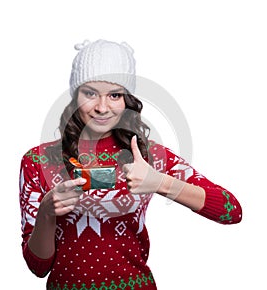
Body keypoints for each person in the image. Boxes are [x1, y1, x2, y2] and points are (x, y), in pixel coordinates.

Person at [19, 39, 242, 290]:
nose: (102, 108)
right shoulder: (37, 160)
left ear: (127, 99)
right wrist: (47, 212)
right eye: (90, 93)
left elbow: (230, 210)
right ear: (74, 95)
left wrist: (160, 182)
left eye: (114, 95)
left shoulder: (150, 156)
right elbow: (38, 267)